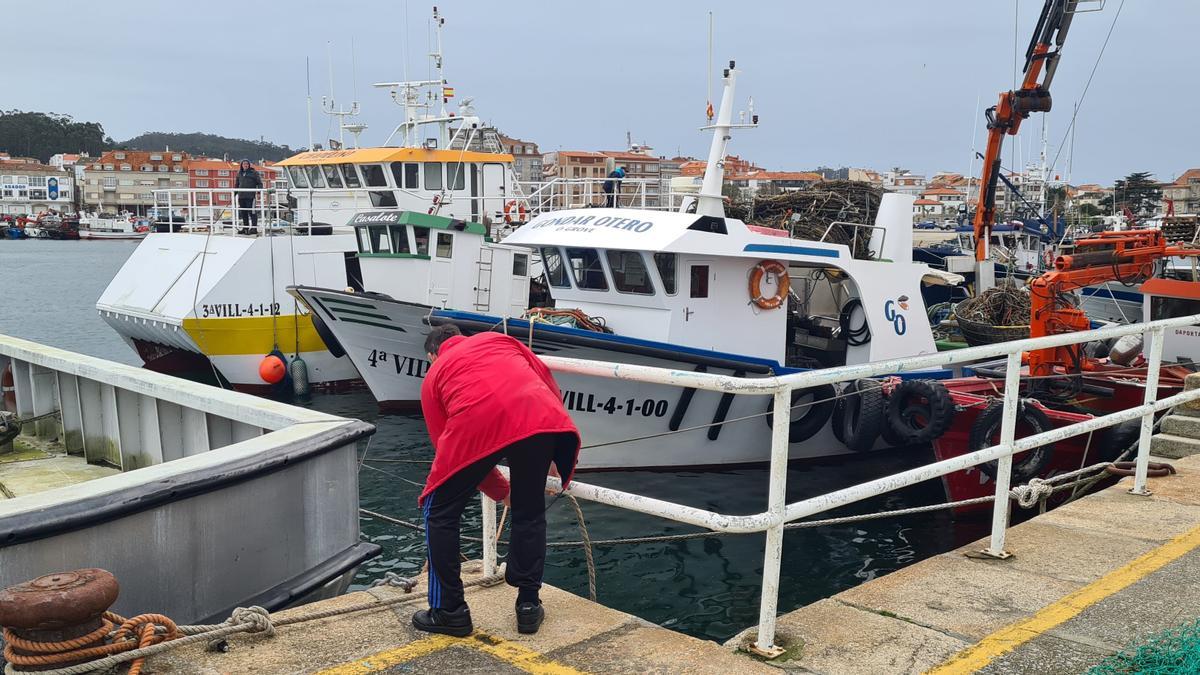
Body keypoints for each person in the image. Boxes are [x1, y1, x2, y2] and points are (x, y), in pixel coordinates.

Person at [413, 325, 580, 638]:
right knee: (530, 511)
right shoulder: (500, 340)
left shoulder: (435, 376)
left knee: (438, 510)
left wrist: (501, 491)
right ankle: (528, 606)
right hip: (540, 417)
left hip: (479, 420)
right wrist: (556, 452)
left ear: (434, 354)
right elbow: (545, 381)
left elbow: (448, 453)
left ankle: (450, 612)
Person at [233, 159, 263, 231]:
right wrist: (234, 194)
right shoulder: (239, 173)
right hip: (241, 196)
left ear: (249, 165)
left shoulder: (254, 173)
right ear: (241, 165)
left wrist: (259, 192)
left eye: (246, 164)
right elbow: (237, 184)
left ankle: (254, 228)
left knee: (252, 212)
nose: (245, 165)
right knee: (244, 212)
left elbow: (259, 183)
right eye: (244, 164)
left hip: (250, 196)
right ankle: (245, 228)